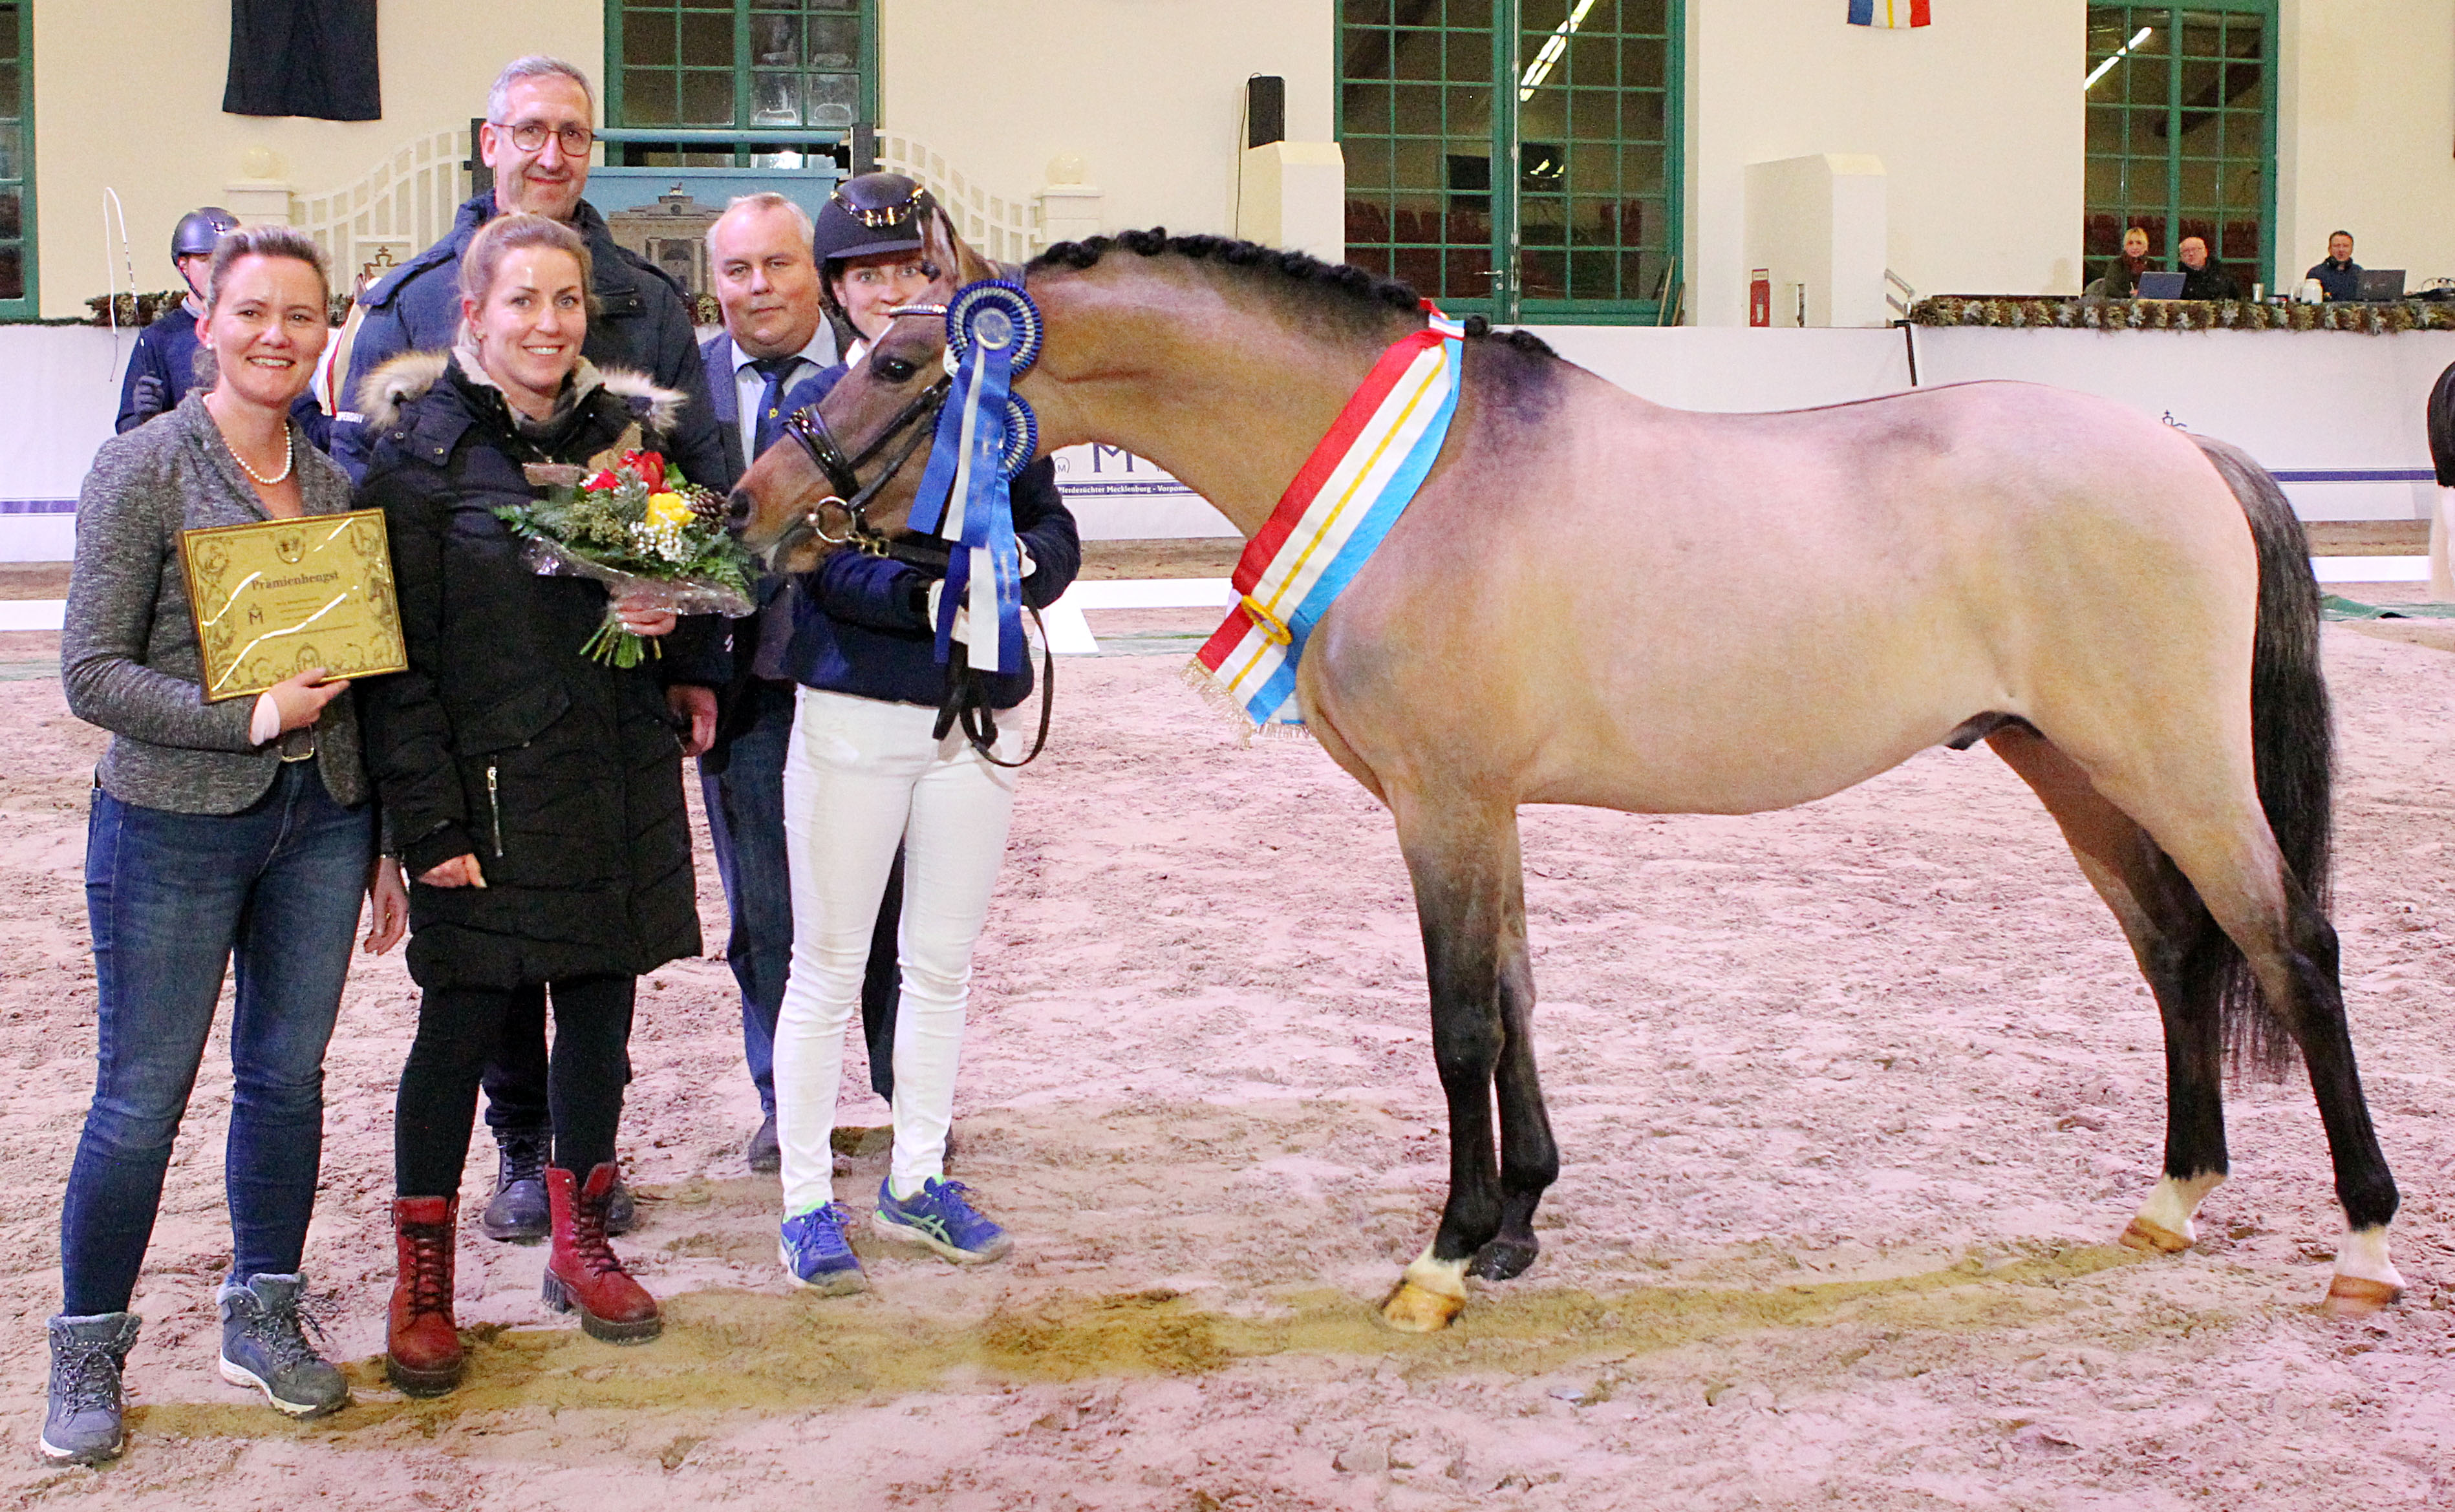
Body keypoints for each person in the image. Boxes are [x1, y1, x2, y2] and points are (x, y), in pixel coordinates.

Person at [334, 54, 725, 1242]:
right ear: (490, 141)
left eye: (574, 134)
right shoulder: (406, 310)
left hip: (604, 720)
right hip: (478, 716)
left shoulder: (648, 306)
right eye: (530, 131)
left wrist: (685, 639)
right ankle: (517, 1142)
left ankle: (578, 1187)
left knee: (600, 974)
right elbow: (374, 531)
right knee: (483, 975)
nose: (552, 153)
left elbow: (689, 497)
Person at [48, 225, 407, 1465]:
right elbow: (91, 672)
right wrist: (247, 714)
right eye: (253, 312)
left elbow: (359, 675)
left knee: (287, 1078)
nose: (276, 335)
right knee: (141, 1096)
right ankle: (87, 1340)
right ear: (206, 323)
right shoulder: (143, 466)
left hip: (324, 818)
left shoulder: (337, 482)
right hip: (172, 822)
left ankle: (261, 1309)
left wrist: (379, 835)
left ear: (326, 334)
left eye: (301, 316)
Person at [768, 173, 1080, 1294]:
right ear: (838, 290)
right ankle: (806, 1200)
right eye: (868, 274)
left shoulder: (997, 397)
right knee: (826, 966)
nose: (893, 287)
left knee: (941, 965)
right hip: (858, 707)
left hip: (973, 717)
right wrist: (930, 596)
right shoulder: (819, 400)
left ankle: (916, 1174)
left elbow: (1052, 528)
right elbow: (813, 554)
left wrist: (1019, 567)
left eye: (914, 268)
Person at [696, 191, 903, 1175]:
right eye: (737, 270)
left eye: (778, 264)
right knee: (765, 916)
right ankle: (788, 1101)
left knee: (891, 906)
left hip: (868, 683)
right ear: (715, 284)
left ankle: (908, 1090)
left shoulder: (883, 377)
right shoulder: (684, 387)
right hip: (741, 695)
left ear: (815, 277)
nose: (759, 287)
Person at [117, 206, 332, 449]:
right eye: (206, 260)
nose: (274, 336)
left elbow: (308, 425)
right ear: (183, 266)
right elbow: (128, 433)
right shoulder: (159, 337)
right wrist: (144, 418)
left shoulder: (278, 340)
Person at [2177, 236, 2242, 301]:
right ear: (2181, 256)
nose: (2191, 254)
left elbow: (2236, 297)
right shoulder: (2177, 273)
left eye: (2195, 249)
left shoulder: (2221, 272)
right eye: (2186, 251)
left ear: (2205, 252)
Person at [2308, 231, 2363, 302]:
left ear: (2352, 250)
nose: (2341, 250)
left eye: (2345, 246)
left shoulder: (2359, 273)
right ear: (2329, 249)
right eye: (2337, 246)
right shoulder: (2316, 274)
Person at [2099, 226, 2152, 297]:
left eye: (2139, 243)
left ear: (2145, 246)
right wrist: (2130, 294)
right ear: (2125, 247)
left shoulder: (2151, 264)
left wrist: (2142, 293)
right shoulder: (2118, 263)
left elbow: (2159, 288)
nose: (2135, 247)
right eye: (2130, 243)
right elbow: (2111, 289)